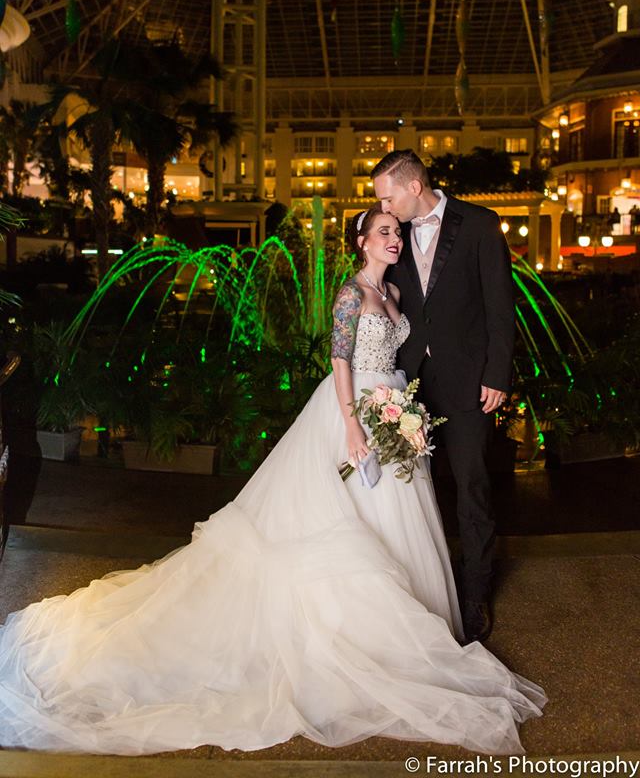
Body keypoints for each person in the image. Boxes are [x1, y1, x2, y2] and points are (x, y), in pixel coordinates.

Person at [0, 204, 545, 756]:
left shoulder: (397, 293)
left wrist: (405, 411)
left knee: (393, 517)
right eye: (383, 232)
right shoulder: (351, 294)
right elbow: (340, 361)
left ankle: (400, 623)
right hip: (352, 411)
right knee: (345, 517)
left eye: (396, 233)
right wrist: (353, 426)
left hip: (393, 405)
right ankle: (353, 628)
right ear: (360, 241)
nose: (394, 240)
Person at [372, 150, 514, 644]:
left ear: (414, 186)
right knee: (412, 489)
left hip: (470, 381)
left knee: (472, 485)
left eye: (387, 197)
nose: (384, 207)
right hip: (408, 383)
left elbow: (500, 305)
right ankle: (426, 591)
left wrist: (497, 373)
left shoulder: (479, 224)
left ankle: (475, 595)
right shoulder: (394, 232)